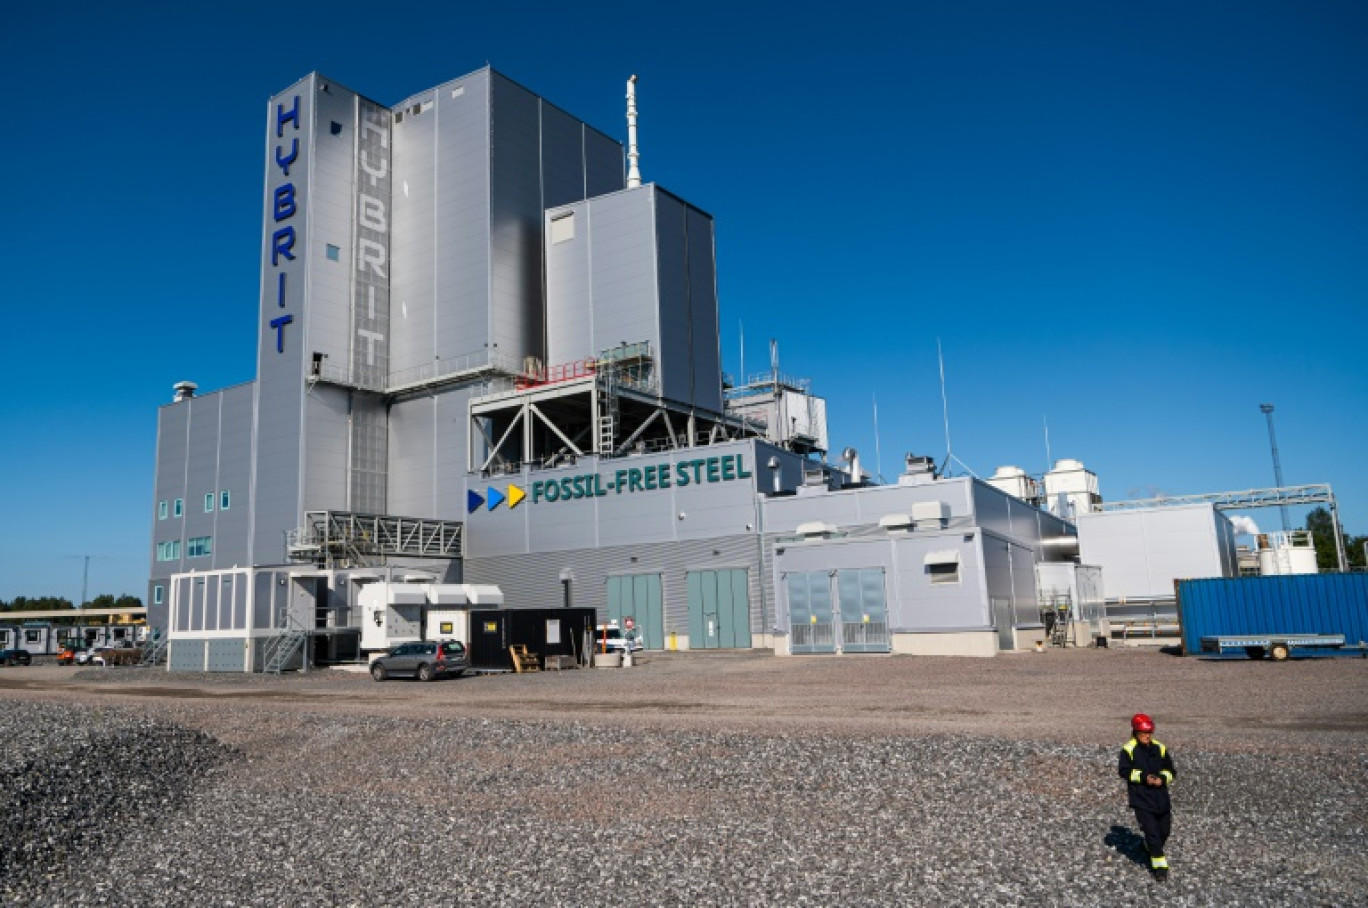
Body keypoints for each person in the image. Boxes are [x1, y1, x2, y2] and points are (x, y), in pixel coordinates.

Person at [1118, 713, 1177, 881]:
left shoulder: (1160, 748)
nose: (1147, 736)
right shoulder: (1128, 749)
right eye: (1144, 733)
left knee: (1164, 832)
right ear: (1136, 732)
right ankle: (1160, 868)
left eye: (1149, 732)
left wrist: (1163, 778)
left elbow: (1171, 770)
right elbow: (1124, 771)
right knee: (1152, 833)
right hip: (1141, 799)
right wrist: (1145, 778)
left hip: (1161, 798)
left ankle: (1148, 847)